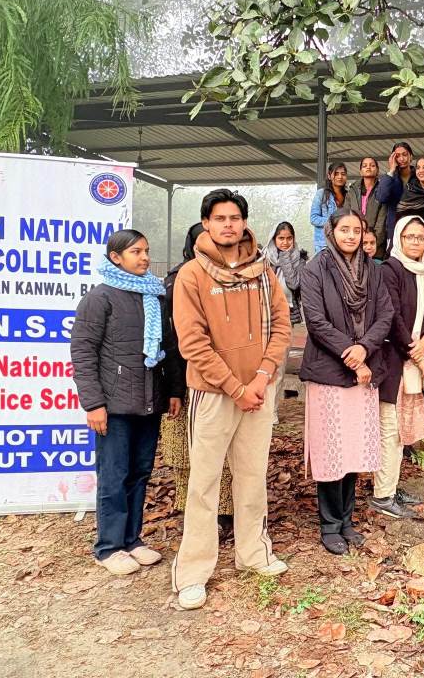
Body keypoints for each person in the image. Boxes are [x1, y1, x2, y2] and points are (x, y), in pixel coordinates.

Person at [171, 189, 292, 610]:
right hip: (214, 394)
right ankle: (193, 572)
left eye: (235, 218)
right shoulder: (191, 275)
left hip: (258, 391)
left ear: (244, 223)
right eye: (219, 218)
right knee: (203, 484)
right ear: (206, 224)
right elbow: (192, 343)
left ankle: (253, 553)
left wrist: (261, 377)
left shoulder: (263, 271)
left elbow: (282, 326)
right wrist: (236, 388)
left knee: (252, 476)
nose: (228, 225)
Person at [71, 230, 184, 575]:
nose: (144, 257)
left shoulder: (155, 296)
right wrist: (93, 404)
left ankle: (132, 540)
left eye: (146, 251)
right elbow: (83, 353)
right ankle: (109, 547)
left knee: (139, 472)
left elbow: (169, 347)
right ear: (116, 257)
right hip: (114, 406)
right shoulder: (100, 298)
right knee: (114, 476)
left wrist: (174, 390)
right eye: (136, 251)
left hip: (149, 401)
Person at [299, 208, 393, 554]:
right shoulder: (316, 269)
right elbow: (315, 320)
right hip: (328, 370)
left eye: (357, 230)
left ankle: (347, 521)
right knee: (330, 450)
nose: (351, 236)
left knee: (354, 447)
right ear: (331, 232)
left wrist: (364, 348)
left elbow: (386, 313)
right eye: (345, 230)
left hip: (364, 369)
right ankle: (329, 525)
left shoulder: (373, 269)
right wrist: (350, 352)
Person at [161, 223, 235, 529]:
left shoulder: (234, 276)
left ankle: (225, 511)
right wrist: (174, 388)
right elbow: (171, 340)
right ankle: (192, 510)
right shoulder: (178, 280)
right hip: (188, 379)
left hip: (228, 378)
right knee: (188, 453)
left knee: (224, 451)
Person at [370, 216, 424, 519]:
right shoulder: (390, 269)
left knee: (401, 431)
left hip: (411, 357)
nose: (415, 242)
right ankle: (382, 496)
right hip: (392, 362)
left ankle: (390, 486)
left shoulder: (423, 270)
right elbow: (392, 318)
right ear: (398, 239)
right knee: (390, 429)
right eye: (409, 237)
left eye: (420, 237)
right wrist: (418, 356)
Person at [266, 221, 308, 324]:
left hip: (290, 310)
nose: (285, 242)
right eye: (281, 238)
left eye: (289, 238)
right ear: (274, 239)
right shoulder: (266, 259)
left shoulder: (300, 260)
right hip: (268, 309)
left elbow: (294, 284)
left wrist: (285, 256)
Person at [347, 156, 388, 259]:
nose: (368, 167)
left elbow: (382, 222)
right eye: (365, 166)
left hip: (376, 248)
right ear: (360, 171)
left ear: (377, 170)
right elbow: (346, 216)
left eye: (372, 165)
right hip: (354, 243)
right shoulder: (352, 191)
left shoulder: (382, 191)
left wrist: (372, 243)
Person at [375, 141, 416, 241]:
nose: (401, 159)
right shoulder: (390, 178)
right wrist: (391, 170)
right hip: (394, 227)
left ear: (411, 156)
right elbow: (381, 197)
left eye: (405, 155)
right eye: (397, 156)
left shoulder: (419, 176)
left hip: (415, 225)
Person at [310, 162, 348, 253]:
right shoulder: (321, 194)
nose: (340, 177)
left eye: (343, 174)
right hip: (324, 244)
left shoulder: (349, 195)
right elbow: (313, 218)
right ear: (329, 176)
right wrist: (333, 221)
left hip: (343, 243)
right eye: (336, 174)